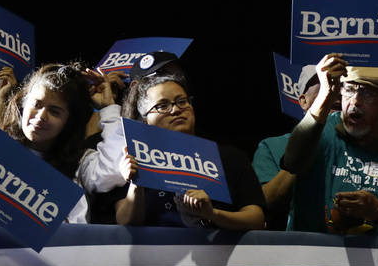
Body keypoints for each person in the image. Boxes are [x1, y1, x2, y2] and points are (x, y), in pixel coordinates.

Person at [280, 56, 378, 236]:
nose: (355, 101)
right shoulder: (321, 131)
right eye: (349, 90)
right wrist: (323, 97)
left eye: (367, 93)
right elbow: (292, 163)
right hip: (313, 256)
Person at [113, 71, 266, 230]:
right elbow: (125, 222)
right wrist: (136, 183)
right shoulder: (133, 159)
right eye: (163, 105)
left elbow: (256, 219)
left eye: (182, 101)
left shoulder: (229, 157)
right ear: (145, 119)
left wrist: (212, 214)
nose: (176, 110)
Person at [0, 64, 96, 222]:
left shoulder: (72, 176)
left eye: (54, 112)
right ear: (23, 104)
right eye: (37, 104)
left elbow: (75, 233)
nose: (41, 116)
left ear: (68, 123)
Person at [252, 64, 331, 230]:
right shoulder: (272, 146)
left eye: (340, 85)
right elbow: (266, 202)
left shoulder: (359, 142)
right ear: (303, 100)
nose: (333, 90)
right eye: (325, 84)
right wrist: (305, 146)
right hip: (296, 246)